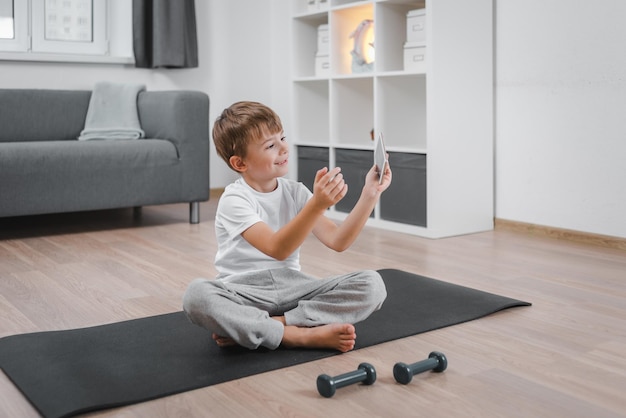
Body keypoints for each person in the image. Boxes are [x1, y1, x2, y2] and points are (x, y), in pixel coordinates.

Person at [183, 101, 392, 352]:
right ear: (240, 164)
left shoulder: (295, 192)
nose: (284, 148)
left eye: (282, 138)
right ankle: (298, 336)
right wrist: (316, 205)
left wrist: (371, 193)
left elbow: (338, 240)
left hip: (294, 289)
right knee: (196, 296)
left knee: (373, 284)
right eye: (271, 145)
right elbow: (277, 248)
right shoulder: (234, 200)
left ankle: (274, 325)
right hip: (245, 292)